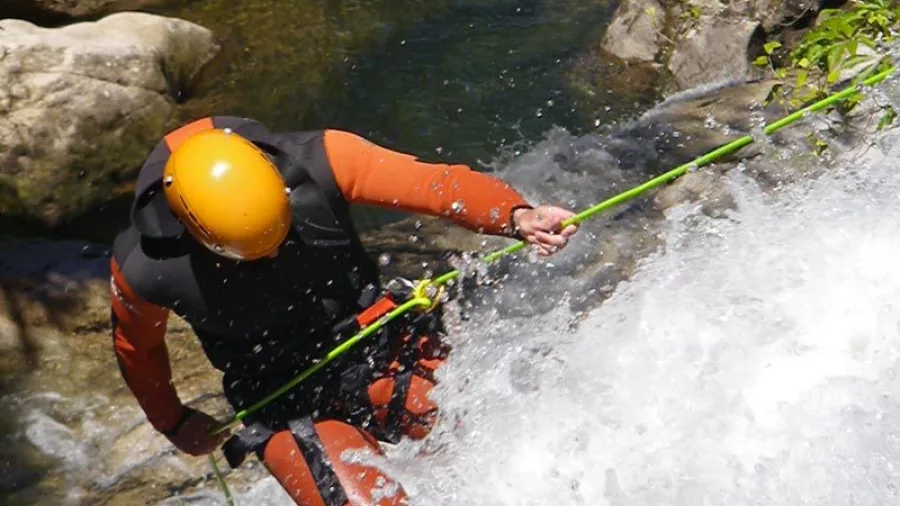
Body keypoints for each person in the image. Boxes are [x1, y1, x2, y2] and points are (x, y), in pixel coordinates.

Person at [108, 116, 579, 505]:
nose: (273, 257)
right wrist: (170, 420)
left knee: (509, 443)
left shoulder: (322, 159)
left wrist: (517, 216)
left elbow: (438, 184)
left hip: (377, 341)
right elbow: (138, 348)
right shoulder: (147, 268)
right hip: (282, 398)